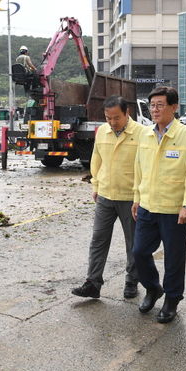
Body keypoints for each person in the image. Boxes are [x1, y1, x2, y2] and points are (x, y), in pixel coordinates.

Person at [131, 86, 186, 323]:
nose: (155, 110)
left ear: (174, 107)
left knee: (174, 257)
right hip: (148, 206)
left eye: (160, 105)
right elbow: (139, 168)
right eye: (152, 105)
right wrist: (136, 198)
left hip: (174, 209)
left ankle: (172, 298)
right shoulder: (146, 134)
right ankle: (153, 288)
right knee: (139, 251)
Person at [71, 96, 141, 300]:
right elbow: (97, 159)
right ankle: (93, 283)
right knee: (98, 240)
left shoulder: (142, 133)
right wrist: (96, 185)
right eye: (108, 118)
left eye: (116, 118)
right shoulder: (102, 131)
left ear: (127, 113)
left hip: (131, 198)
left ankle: (131, 281)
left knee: (133, 243)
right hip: (105, 196)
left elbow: (146, 167)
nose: (112, 122)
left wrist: (140, 196)